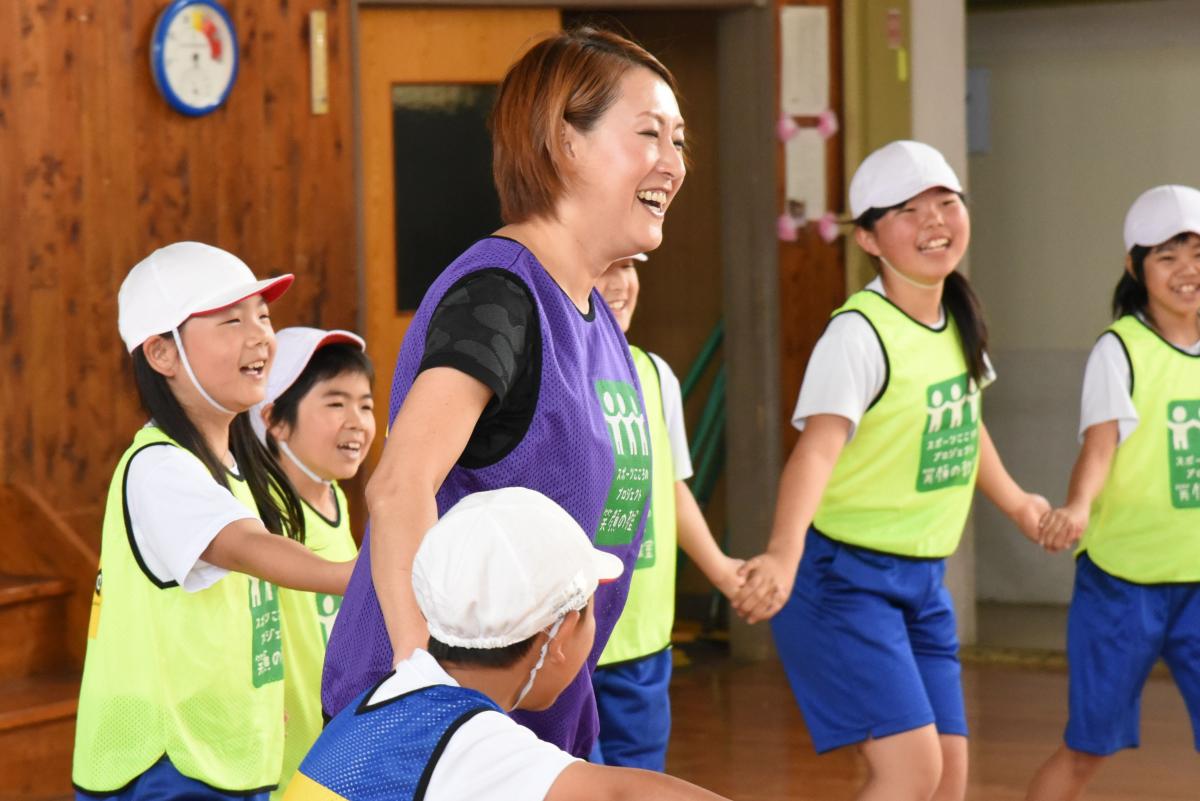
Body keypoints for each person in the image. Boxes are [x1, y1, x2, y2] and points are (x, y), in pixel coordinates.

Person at [322, 27, 688, 757]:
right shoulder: (500, 295)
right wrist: (422, 679)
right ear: (564, 142)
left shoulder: (595, 314)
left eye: (681, 142)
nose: (673, 165)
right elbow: (398, 488)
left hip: (540, 705)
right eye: (650, 133)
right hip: (443, 725)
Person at [734, 141, 1050, 801]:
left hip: (921, 579)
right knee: (911, 773)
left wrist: (1020, 504)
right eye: (908, 210)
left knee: (948, 777)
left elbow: (963, 423)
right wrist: (782, 557)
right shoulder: (858, 333)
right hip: (841, 580)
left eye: (945, 201)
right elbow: (815, 451)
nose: (934, 219)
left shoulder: (957, 315)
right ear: (872, 238)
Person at [73, 242, 354, 800]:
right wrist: (369, 573)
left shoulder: (236, 469)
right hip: (164, 766)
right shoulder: (159, 469)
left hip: (225, 757)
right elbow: (247, 548)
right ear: (162, 354)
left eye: (264, 317)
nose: (260, 337)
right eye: (231, 321)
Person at [288, 488, 731, 801]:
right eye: (591, 609)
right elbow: (622, 795)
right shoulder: (469, 742)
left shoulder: (397, 693)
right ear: (559, 634)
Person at [1024, 185, 1200, 801]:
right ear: (1136, 267)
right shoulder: (1120, 349)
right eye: (1168, 256)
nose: (1189, 272)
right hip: (1122, 582)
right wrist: (1074, 508)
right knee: (1087, 748)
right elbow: (1099, 449)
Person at [589, 254, 743, 769]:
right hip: (567, 646)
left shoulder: (656, 375)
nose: (619, 283)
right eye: (603, 268)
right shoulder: (550, 373)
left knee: (641, 782)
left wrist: (723, 571)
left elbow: (670, 487)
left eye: (628, 267)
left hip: (645, 636)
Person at [250, 327, 376, 799]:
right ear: (275, 421)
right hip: (286, 760)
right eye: (335, 402)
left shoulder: (337, 499)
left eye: (365, 404)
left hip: (335, 747)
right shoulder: (263, 516)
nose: (358, 421)